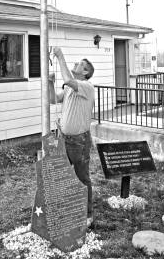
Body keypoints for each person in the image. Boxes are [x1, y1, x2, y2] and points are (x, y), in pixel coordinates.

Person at [48, 47, 95, 228]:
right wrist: (51, 83)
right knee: (63, 176)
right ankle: (69, 209)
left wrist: (60, 56)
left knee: (82, 177)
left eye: (79, 64)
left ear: (86, 72)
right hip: (64, 139)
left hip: (79, 142)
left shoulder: (87, 87)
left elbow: (67, 79)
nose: (75, 64)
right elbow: (52, 100)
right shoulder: (70, 88)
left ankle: (88, 214)